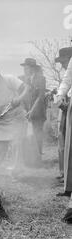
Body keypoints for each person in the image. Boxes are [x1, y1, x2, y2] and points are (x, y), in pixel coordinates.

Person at [20, 58, 47, 159]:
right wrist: (24, 110)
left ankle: (38, 158)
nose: (24, 69)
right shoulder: (22, 80)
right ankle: (28, 158)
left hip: (38, 113)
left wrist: (32, 111)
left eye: (26, 67)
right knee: (26, 135)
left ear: (32, 68)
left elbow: (40, 97)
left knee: (37, 135)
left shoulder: (41, 79)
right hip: (25, 112)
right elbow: (21, 96)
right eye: (24, 67)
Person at [55, 47, 72, 182]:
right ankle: (65, 173)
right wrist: (60, 96)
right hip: (66, 108)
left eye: (63, 61)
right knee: (64, 141)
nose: (62, 64)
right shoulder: (67, 73)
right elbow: (64, 85)